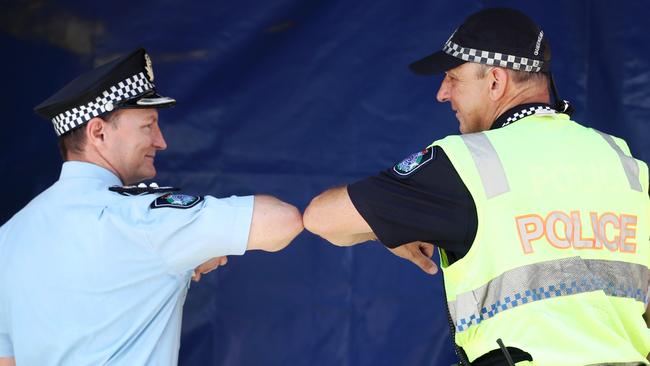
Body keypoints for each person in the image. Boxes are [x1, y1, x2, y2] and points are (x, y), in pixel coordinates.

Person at [303, 8, 650, 365]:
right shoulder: (624, 163)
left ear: (496, 82)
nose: (442, 93)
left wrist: (384, 228)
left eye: (453, 78)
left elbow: (322, 218)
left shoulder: (467, 162)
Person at [0, 48, 303, 365]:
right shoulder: (141, 219)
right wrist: (194, 250)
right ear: (98, 131)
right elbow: (283, 221)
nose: (161, 141)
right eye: (148, 125)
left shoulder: (9, 237)